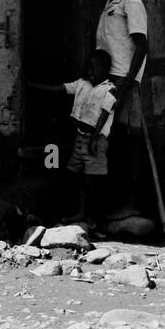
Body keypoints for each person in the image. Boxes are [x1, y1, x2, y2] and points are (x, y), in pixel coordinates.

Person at [27, 49, 118, 233]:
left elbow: (103, 116)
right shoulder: (82, 84)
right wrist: (32, 85)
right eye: (88, 69)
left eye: (95, 70)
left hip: (96, 141)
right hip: (79, 138)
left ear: (105, 71)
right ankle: (79, 213)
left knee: (92, 180)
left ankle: (93, 219)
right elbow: (60, 88)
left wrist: (93, 139)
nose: (90, 73)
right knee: (75, 175)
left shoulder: (109, 90)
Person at [96, 0, 149, 219]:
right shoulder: (111, 3)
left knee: (130, 139)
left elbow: (141, 45)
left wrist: (128, 83)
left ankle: (130, 203)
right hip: (109, 79)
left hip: (123, 80)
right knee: (112, 140)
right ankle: (115, 202)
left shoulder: (132, 3)